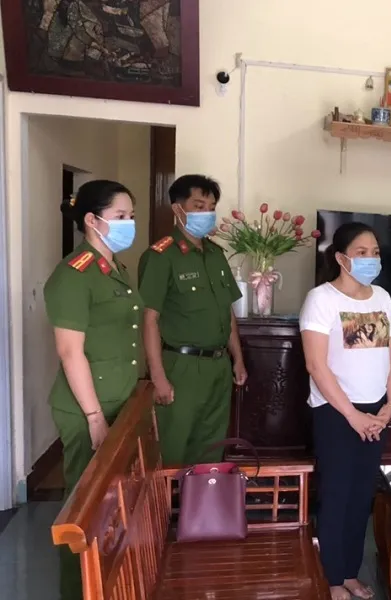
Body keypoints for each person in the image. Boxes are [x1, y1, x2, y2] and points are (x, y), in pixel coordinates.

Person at [44, 179, 140, 600]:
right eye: (120, 216)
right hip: (89, 409)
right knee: (84, 513)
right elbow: (70, 352)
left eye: (131, 216)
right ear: (91, 220)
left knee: (114, 509)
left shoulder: (114, 269)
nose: (129, 223)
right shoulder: (74, 275)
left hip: (121, 402)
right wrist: (94, 418)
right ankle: (76, 592)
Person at [299, 222, 391, 600]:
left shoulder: (382, 298)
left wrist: (390, 405)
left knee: (361, 497)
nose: (371, 259)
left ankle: (351, 573)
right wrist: (353, 416)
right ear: (341, 258)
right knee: (337, 494)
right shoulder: (321, 299)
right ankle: (331, 578)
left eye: (376, 252)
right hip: (336, 412)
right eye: (362, 253)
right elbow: (316, 365)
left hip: (375, 414)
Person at [138, 174, 247, 467]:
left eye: (211, 207)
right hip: (181, 367)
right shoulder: (161, 256)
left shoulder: (215, 254)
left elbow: (226, 311)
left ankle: (200, 498)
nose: (206, 213)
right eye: (199, 206)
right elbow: (149, 319)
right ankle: (170, 499)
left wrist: (238, 358)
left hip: (218, 366)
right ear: (178, 209)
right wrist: (158, 376)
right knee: (173, 446)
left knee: (211, 446)